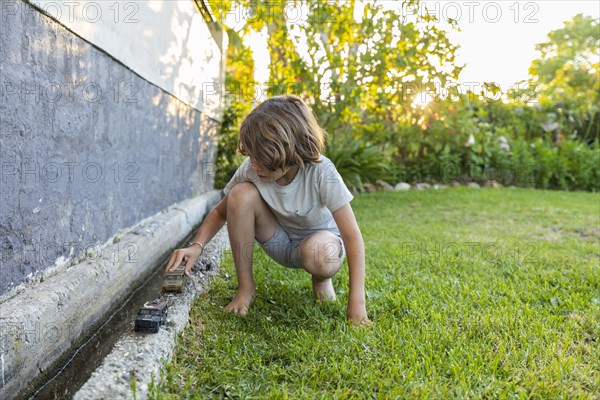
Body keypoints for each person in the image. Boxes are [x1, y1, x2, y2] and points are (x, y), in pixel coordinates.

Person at [165, 95, 369, 326]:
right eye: (251, 155)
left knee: (320, 253)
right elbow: (220, 212)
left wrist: (357, 303)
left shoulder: (321, 172)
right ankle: (246, 287)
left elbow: (352, 237)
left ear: (291, 150)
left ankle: (321, 281)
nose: (253, 165)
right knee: (240, 193)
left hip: (321, 248)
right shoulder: (252, 168)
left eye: (260, 158)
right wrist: (196, 246)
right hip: (279, 242)